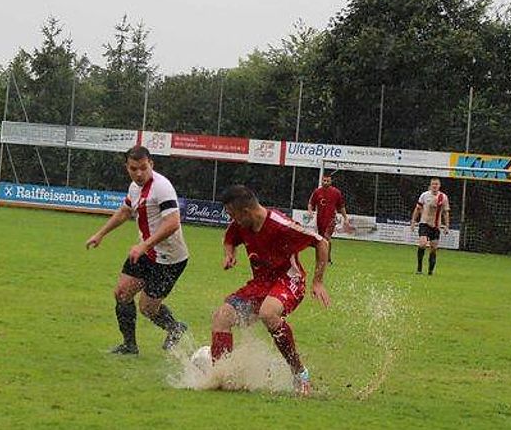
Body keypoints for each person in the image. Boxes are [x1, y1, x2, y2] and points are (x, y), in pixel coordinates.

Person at [210, 185, 330, 396]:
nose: (232, 220)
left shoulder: (281, 225)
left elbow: (321, 242)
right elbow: (229, 238)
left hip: (289, 279)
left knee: (268, 313)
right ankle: (222, 376)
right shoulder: (241, 223)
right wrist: (229, 254)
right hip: (260, 284)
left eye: (232, 215)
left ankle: (299, 372)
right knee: (221, 317)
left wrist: (318, 281)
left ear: (245, 212)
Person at [85, 146, 189, 355]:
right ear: (127, 167)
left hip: (169, 259)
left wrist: (144, 244)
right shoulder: (134, 187)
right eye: (134, 169)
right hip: (145, 253)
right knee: (122, 293)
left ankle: (175, 328)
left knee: (147, 308)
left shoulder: (162, 187)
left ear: (151, 164)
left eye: (143, 168)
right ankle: (130, 345)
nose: (139, 173)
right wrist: (101, 234)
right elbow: (125, 212)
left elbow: (173, 222)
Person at [410, 178, 450, 275]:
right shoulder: (424, 195)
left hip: (436, 226)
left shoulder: (443, 197)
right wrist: (413, 221)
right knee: (423, 244)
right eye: (433, 184)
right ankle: (419, 268)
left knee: (433, 248)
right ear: (430, 185)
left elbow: (446, 213)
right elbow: (418, 208)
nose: (435, 186)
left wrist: (446, 225)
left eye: (436, 184)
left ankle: (430, 271)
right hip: (424, 223)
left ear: (439, 186)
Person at [307, 172, 350, 263]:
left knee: (327, 237)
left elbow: (341, 206)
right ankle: (325, 258)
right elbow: (311, 203)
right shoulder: (317, 192)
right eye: (324, 180)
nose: (325, 182)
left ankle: (326, 259)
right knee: (321, 239)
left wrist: (345, 218)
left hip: (331, 219)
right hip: (320, 219)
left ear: (331, 182)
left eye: (327, 181)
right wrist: (310, 212)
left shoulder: (336, 192)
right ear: (321, 181)